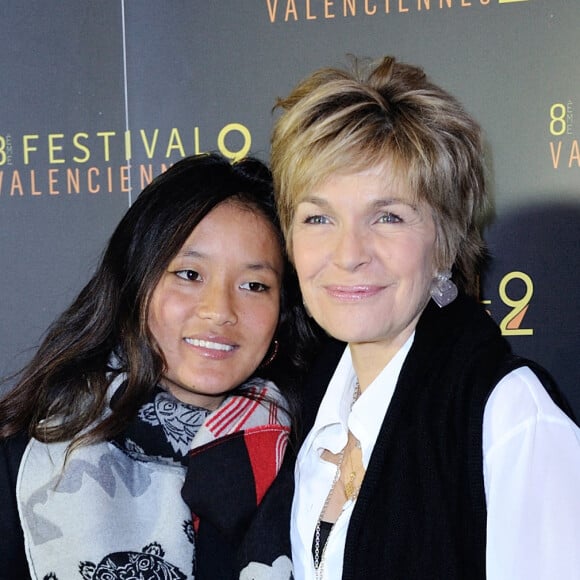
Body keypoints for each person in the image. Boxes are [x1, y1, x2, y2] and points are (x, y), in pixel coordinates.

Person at [270, 56, 580, 579]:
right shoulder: (310, 397)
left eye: (388, 216)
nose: (349, 253)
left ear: (444, 243)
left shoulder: (508, 414)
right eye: (318, 217)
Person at [0, 153, 314, 580]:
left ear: (283, 310)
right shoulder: (24, 458)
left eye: (254, 285)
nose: (220, 310)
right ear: (135, 284)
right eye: (189, 274)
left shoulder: (316, 461)